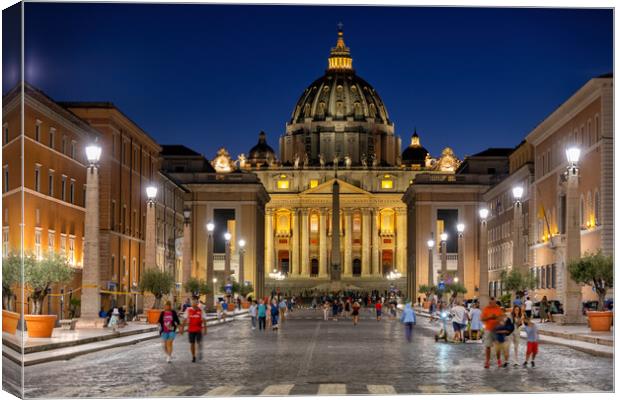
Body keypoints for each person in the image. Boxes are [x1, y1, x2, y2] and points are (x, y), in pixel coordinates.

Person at [481, 297, 504, 369]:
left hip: (497, 329)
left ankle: (499, 361)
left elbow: (502, 318)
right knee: (488, 346)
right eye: (491, 303)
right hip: (488, 329)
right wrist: (489, 317)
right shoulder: (486, 309)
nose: (492, 304)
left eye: (494, 302)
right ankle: (487, 361)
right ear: (489, 302)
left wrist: (496, 317)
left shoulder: (498, 309)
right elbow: (482, 319)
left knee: (498, 346)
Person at [183, 298, 207, 362]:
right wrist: (182, 328)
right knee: (192, 343)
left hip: (198, 329)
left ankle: (199, 351)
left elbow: (204, 319)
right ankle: (193, 356)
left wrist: (205, 329)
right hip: (191, 330)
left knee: (199, 342)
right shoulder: (188, 310)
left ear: (197, 303)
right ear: (191, 303)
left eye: (195, 302)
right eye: (192, 303)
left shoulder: (201, 310)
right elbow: (185, 319)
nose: (193, 304)